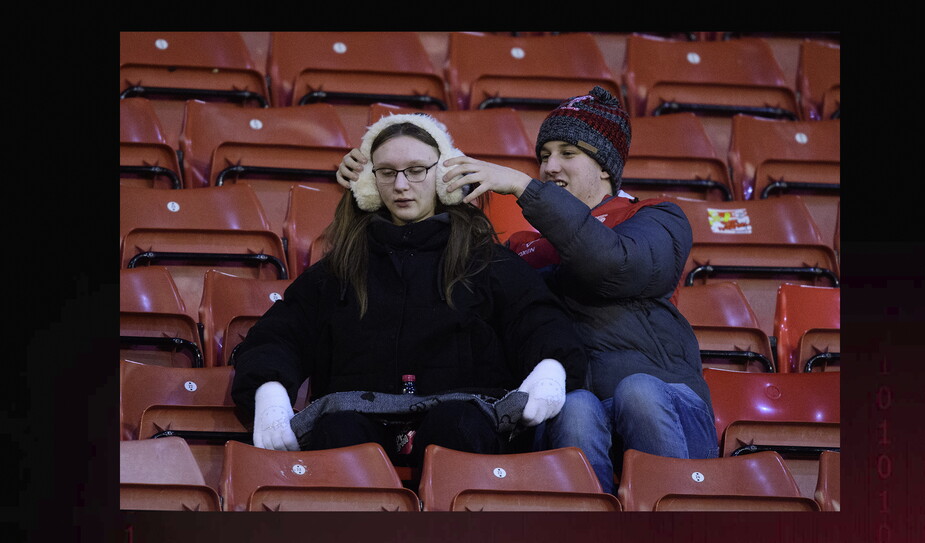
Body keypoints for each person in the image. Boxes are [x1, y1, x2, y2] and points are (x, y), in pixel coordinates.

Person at [336, 87, 718, 493]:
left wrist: (524, 187)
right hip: (571, 405)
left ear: (606, 167)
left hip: (664, 404)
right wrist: (373, 187)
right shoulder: (522, 245)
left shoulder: (655, 217)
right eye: (544, 155)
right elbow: (437, 274)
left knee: (637, 390)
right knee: (576, 406)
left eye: (567, 154)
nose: (550, 166)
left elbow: (611, 264)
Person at [232, 113, 586, 468]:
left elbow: (540, 319)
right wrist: (269, 391)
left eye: (416, 170)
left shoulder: (486, 262)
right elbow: (279, 335)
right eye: (387, 172)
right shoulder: (340, 268)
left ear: (444, 176)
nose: (401, 185)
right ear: (370, 185)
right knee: (339, 431)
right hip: (355, 421)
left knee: (458, 425)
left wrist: (551, 366)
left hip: (463, 420)